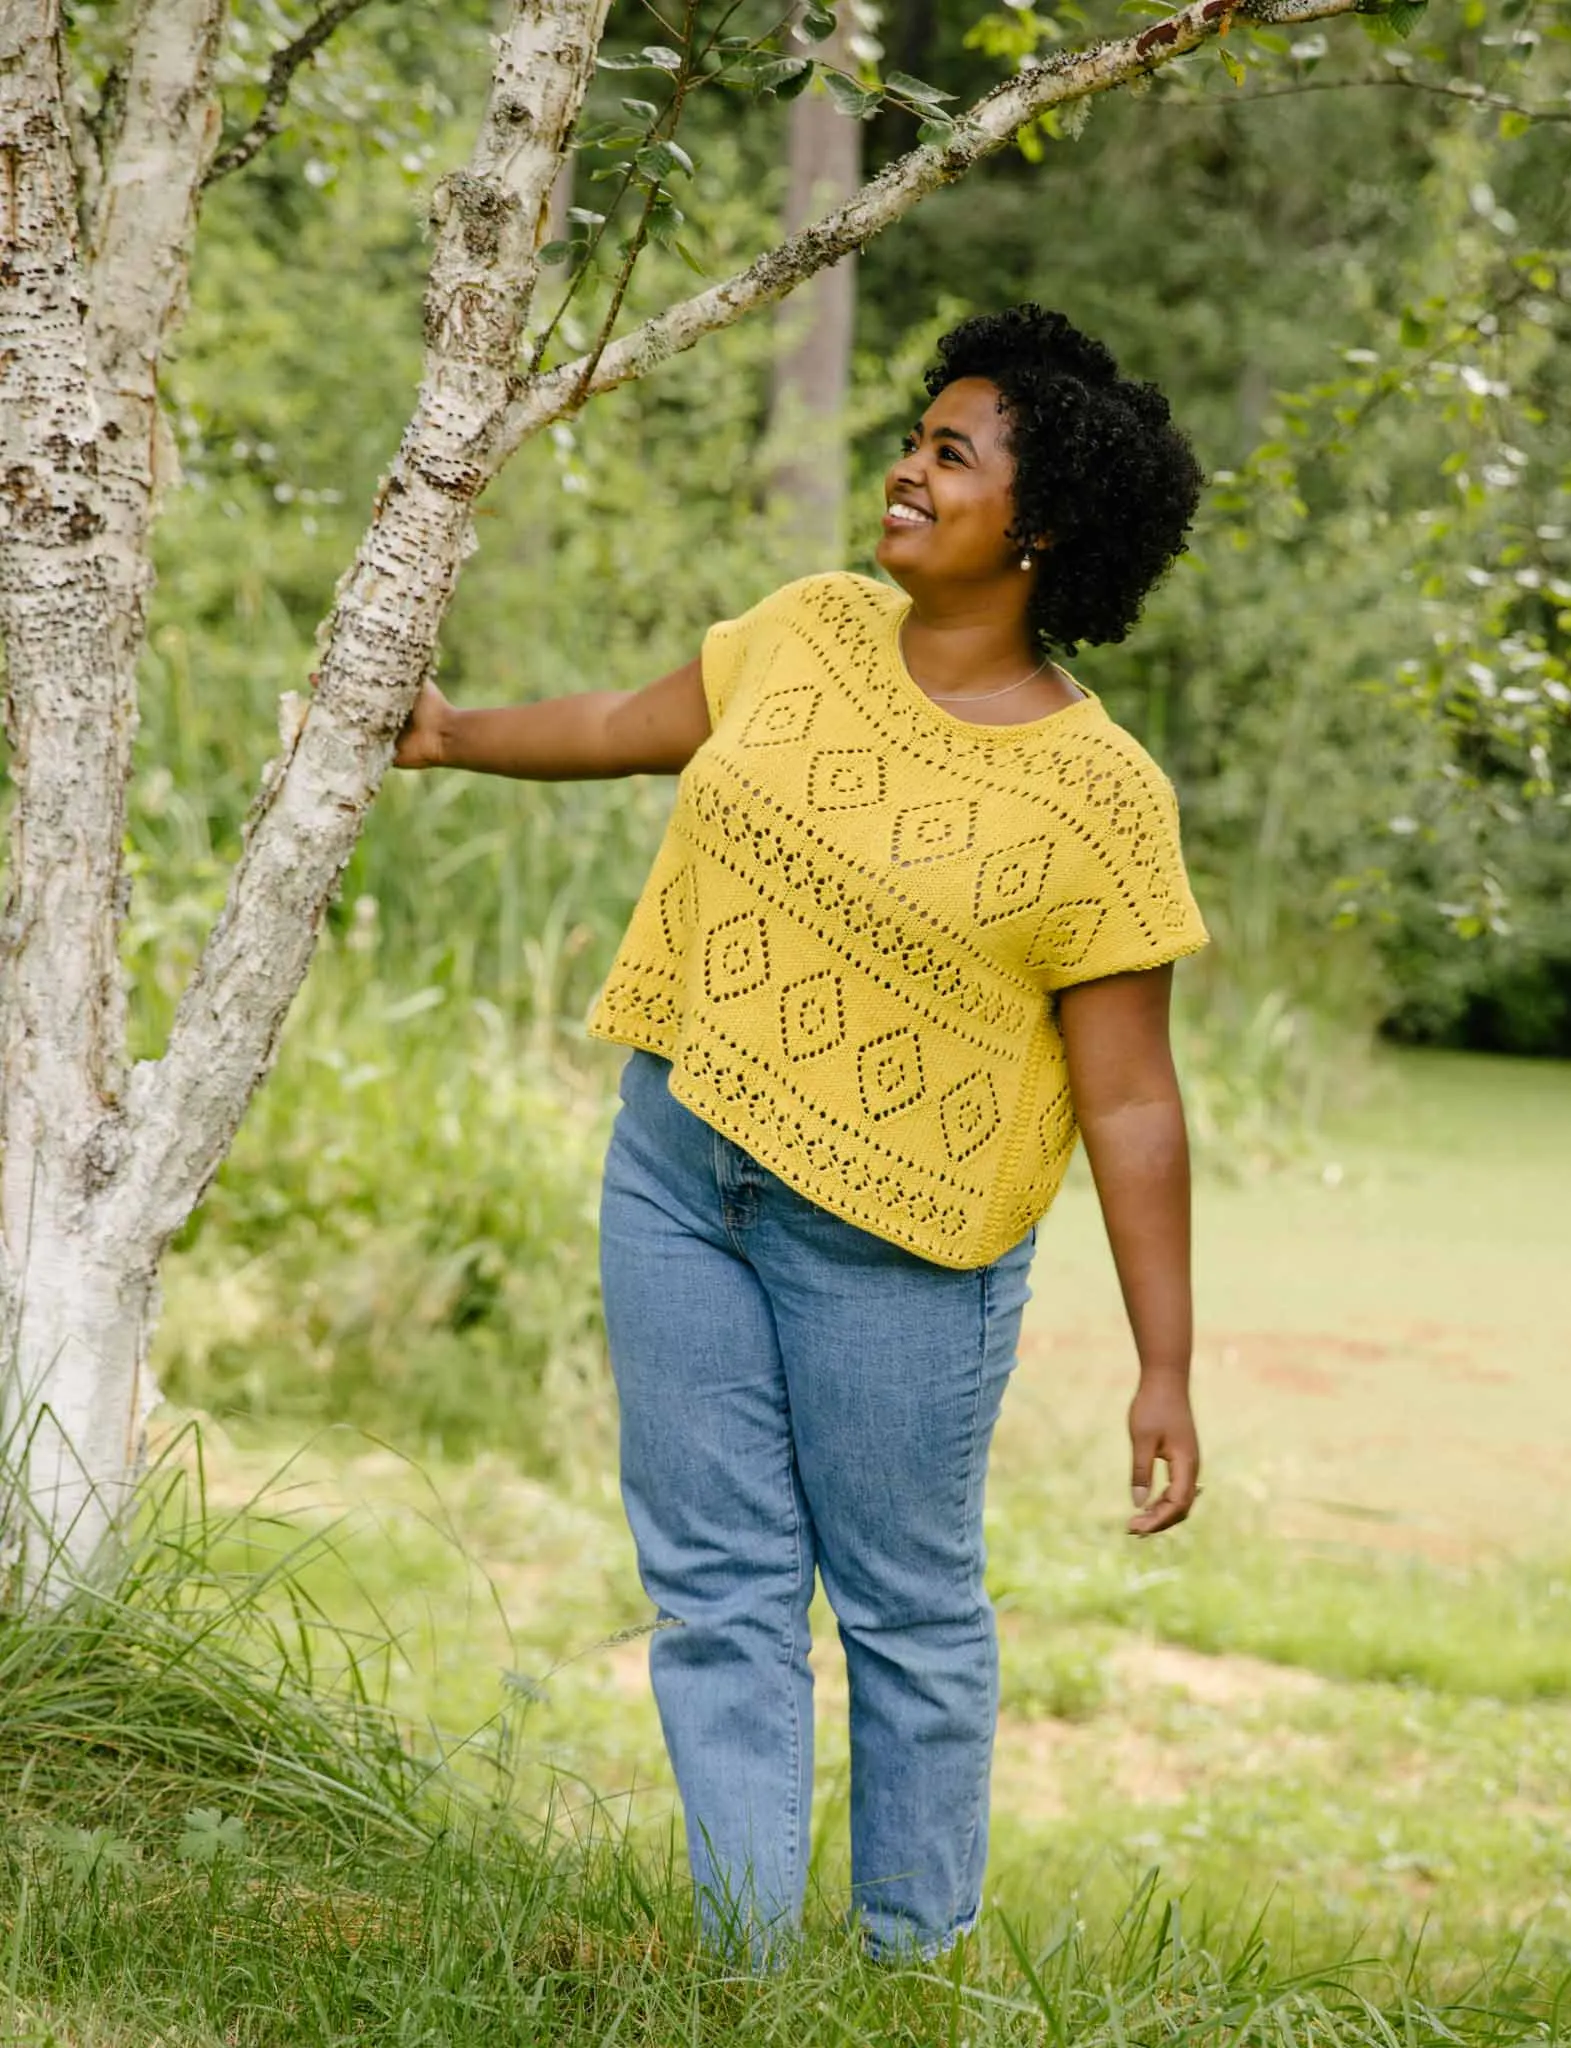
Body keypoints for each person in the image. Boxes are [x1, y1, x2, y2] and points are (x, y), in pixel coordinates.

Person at [395, 304, 1208, 1961]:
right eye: (916, 436)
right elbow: (635, 724)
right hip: (681, 1172)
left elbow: (1130, 1099)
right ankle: (748, 1963)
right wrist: (450, 735)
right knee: (717, 1591)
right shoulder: (811, 631)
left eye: (951, 455)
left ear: (1040, 528)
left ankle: (908, 1961)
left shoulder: (1101, 797)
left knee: (907, 1616)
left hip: (901, 1262)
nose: (907, 468)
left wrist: (1164, 1364)